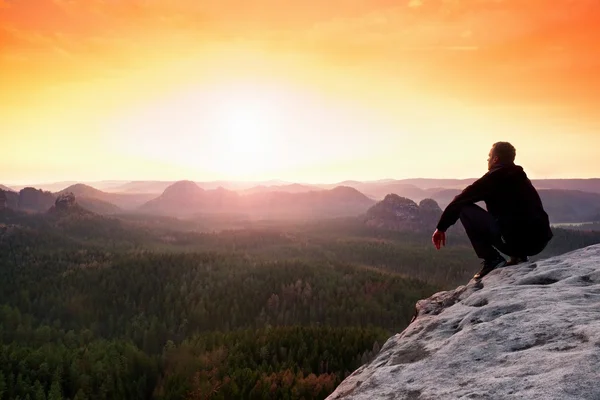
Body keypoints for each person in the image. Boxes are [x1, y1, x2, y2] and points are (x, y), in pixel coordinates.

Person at [431, 142, 553, 279]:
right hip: (539, 242)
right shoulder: (521, 177)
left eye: (489, 156)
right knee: (512, 218)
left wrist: (441, 228)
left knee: (464, 208)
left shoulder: (493, 178)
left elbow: (460, 200)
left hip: (516, 242)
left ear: (496, 159)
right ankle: (518, 257)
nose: (487, 159)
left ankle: (492, 259)